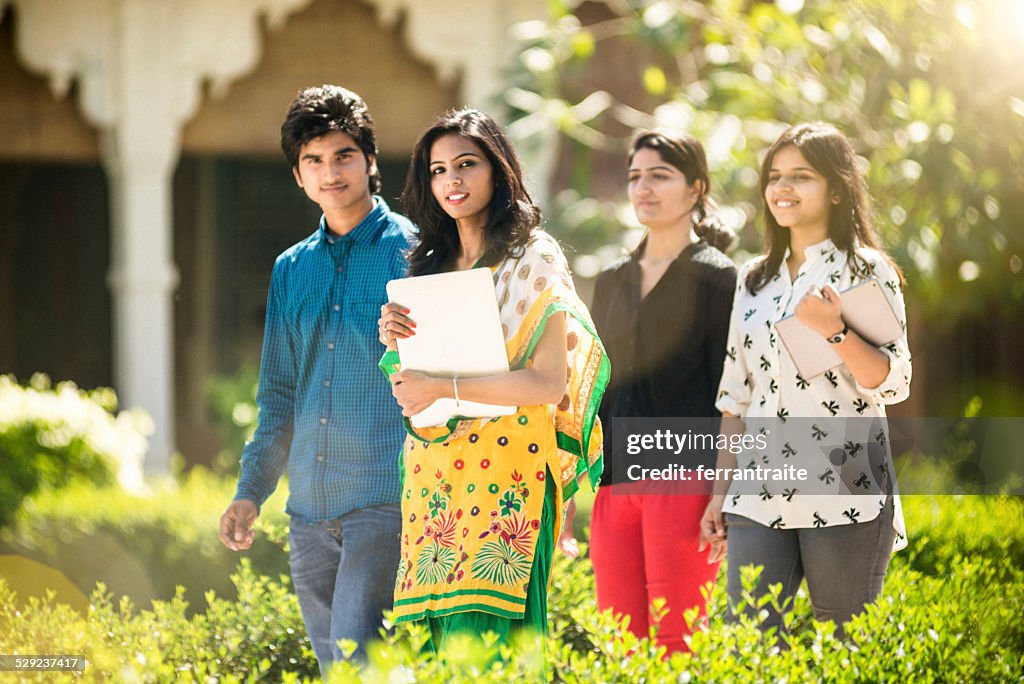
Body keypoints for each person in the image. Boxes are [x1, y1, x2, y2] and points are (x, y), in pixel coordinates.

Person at [377, 108, 609, 656]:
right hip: (435, 477)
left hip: (511, 474)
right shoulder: (427, 268)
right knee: (434, 650)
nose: (451, 181)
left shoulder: (534, 258)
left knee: (493, 645)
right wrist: (394, 343)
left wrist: (444, 388)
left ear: (498, 170)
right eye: (437, 171)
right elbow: (412, 384)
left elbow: (548, 384)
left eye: (466, 165)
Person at [218, 85, 414, 676]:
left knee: (355, 660)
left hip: (383, 497)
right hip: (307, 509)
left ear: (371, 162)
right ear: (298, 175)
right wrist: (252, 490)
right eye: (314, 160)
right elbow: (279, 392)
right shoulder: (291, 268)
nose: (331, 172)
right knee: (339, 669)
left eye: (343, 155)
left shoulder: (416, 252)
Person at [699, 122, 912, 639]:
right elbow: (736, 397)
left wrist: (835, 332)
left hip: (846, 484)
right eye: (775, 176)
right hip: (758, 488)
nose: (782, 189)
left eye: (801, 176)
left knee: (844, 647)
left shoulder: (867, 270)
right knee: (746, 645)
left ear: (836, 189)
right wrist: (720, 491)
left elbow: (893, 381)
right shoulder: (754, 278)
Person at [580, 129, 736, 653]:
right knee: (620, 644)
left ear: (695, 189)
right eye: (635, 177)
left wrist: (723, 493)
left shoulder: (720, 279)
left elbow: (730, 394)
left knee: (679, 644)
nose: (643, 188)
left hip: (684, 480)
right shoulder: (611, 278)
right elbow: (597, 383)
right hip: (613, 483)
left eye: (659, 176)